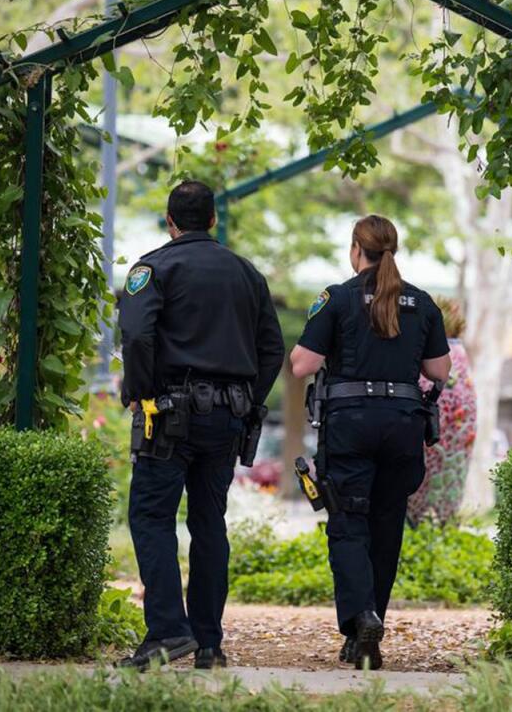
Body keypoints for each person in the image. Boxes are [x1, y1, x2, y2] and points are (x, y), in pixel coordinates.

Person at [117, 180, 284, 671]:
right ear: (213, 220)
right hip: (226, 418)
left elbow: (136, 334)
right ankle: (208, 642)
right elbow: (272, 348)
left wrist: (144, 393)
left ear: (170, 222)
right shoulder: (247, 274)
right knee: (210, 521)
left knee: (151, 516)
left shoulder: (154, 268)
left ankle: (168, 631)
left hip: (167, 415)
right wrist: (246, 400)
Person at [289, 214, 452, 670]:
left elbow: (301, 365)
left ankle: (362, 616)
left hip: (350, 427)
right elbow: (439, 371)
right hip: (403, 427)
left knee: (346, 523)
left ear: (356, 250)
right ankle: (367, 638)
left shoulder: (337, 298)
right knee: (385, 528)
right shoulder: (421, 303)